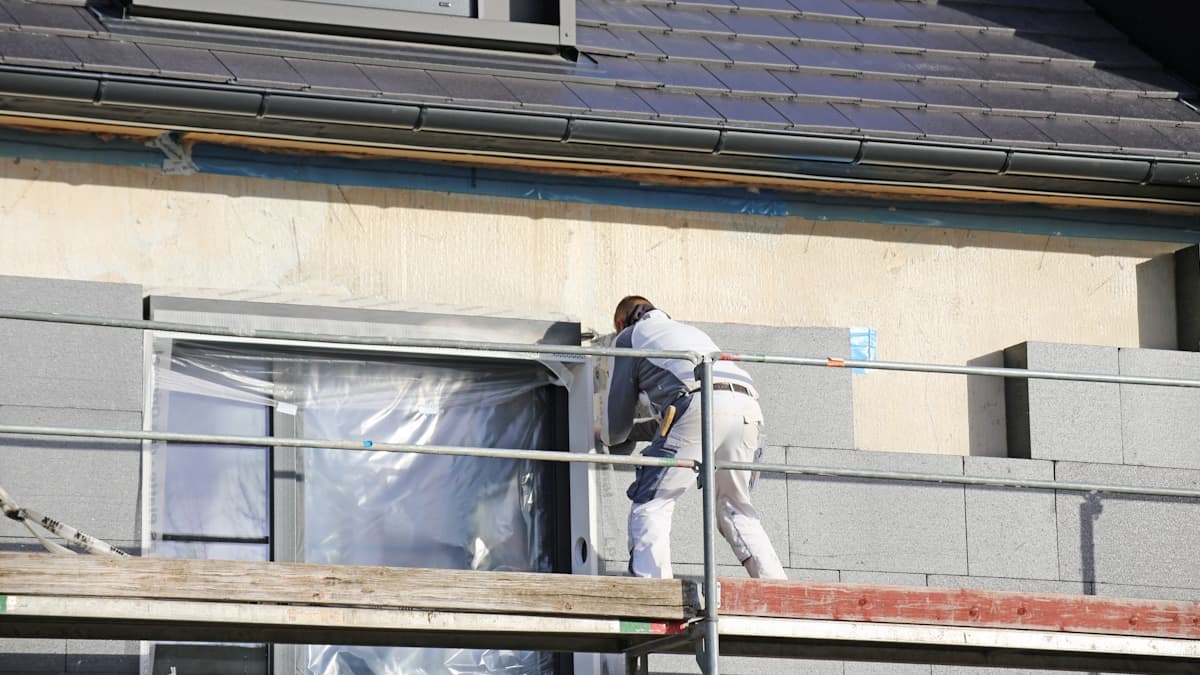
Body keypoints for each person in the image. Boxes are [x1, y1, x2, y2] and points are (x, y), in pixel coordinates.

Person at [600, 295, 786, 580]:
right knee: (735, 507)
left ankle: (653, 589)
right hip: (748, 410)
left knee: (653, 501)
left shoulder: (628, 337)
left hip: (699, 403)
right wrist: (641, 430)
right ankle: (776, 591)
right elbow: (678, 421)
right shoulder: (688, 334)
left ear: (620, 323)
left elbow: (616, 431)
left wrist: (602, 433)